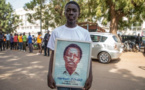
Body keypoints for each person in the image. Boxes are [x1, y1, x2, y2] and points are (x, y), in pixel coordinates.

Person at [47, 1, 92, 90]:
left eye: (74, 10)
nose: (71, 12)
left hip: (79, 80)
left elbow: (88, 57)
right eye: (68, 10)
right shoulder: (56, 32)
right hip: (61, 80)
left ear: (78, 13)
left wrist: (90, 75)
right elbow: (53, 55)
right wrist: (49, 74)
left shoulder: (85, 33)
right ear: (65, 13)